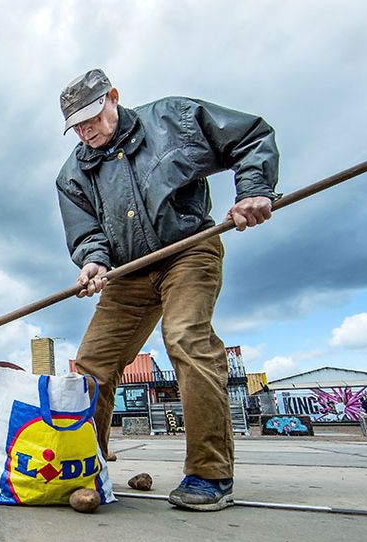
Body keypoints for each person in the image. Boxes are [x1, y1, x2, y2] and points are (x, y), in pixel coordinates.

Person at [56, 69, 279, 511]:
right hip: (128, 274)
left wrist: (253, 189)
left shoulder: (173, 119)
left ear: (113, 98)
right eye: (76, 126)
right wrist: (94, 260)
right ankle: (87, 467)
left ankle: (209, 474)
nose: (86, 132)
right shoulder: (72, 174)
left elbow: (251, 135)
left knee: (186, 338)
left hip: (189, 251)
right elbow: (87, 233)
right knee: (91, 366)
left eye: (91, 118)